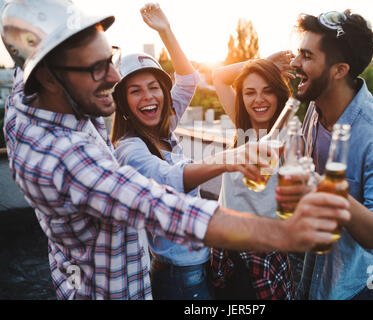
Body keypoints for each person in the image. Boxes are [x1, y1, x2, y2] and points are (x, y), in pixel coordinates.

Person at [1, 0, 351, 300]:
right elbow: (160, 204)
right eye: (97, 69)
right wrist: (283, 232)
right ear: (48, 77)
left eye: (110, 59)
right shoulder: (63, 159)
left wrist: (166, 31)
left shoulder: (39, 91)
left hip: (145, 271)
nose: (111, 78)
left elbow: (187, 80)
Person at [111, 4, 266, 300]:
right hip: (178, 275)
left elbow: (189, 79)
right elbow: (170, 179)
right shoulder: (130, 150)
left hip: (197, 264)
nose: (148, 97)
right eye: (135, 91)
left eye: (154, 87)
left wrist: (165, 31)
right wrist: (228, 159)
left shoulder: (163, 128)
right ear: (123, 103)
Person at [276, 10, 373, 300]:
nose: (294, 62)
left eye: (306, 55)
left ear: (339, 70)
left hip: (356, 286)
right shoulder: (318, 103)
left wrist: (332, 194)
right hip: (312, 269)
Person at [211, 55, 298, 300]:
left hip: (264, 255)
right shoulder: (242, 128)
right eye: (250, 92)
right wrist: (264, 63)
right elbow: (218, 76)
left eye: (267, 91)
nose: (258, 100)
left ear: (279, 95)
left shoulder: (288, 137)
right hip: (226, 250)